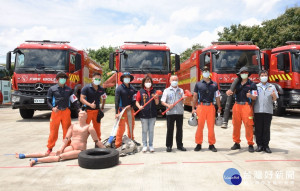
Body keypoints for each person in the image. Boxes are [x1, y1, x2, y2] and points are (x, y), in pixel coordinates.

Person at [16, 110, 105, 167]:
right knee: (52, 153)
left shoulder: (89, 127)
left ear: (86, 117)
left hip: (80, 150)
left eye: (83, 115)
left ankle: (36, 160)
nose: (81, 117)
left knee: (60, 157)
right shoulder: (73, 126)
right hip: (72, 147)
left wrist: (107, 151)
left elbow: (97, 141)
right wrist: (61, 148)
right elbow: (66, 139)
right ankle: (24, 155)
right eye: (79, 115)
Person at [46, 72, 80, 154]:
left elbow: (74, 100)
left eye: (64, 78)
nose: (63, 79)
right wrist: (52, 108)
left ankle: (67, 146)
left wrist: (79, 109)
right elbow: (48, 101)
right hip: (56, 113)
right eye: (61, 78)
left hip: (66, 112)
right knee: (53, 131)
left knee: (67, 131)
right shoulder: (52, 89)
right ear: (57, 79)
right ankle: (50, 147)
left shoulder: (69, 90)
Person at [226, 67, 257, 152]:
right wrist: (228, 92)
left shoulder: (252, 84)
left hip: (247, 106)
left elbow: (255, 97)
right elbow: (230, 91)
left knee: (248, 125)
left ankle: (250, 143)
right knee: (236, 125)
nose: (244, 74)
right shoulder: (236, 83)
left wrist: (250, 96)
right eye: (242, 72)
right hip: (237, 106)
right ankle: (236, 143)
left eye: (245, 72)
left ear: (248, 74)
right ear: (240, 74)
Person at [191, 66, 221, 152]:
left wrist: (219, 107)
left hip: (211, 107)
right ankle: (198, 143)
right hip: (201, 107)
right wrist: (193, 108)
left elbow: (217, 96)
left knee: (211, 127)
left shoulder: (214, 84)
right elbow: (195, 96)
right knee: (200, 126)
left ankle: (211, 144)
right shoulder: (198, 84)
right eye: (204, 71)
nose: (206, 72)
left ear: (209, 73)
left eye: (207, 71)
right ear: (202, 73)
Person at [253, 70, 278, 153]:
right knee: (258, 129)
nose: (264, 77)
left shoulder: (272, 86)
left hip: (268, 111)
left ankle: (266, 145)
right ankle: (259, 145)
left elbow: (275, 99)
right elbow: (253, 99)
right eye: (262, 75)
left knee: (266, 129)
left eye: (265, 75)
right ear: (259, 77)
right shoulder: (256, 86)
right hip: (258, 110)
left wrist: (273, 96)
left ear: (267, 76)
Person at [161, 75, 187, 152]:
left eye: (176, 80)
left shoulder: (181, 90)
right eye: (173, 80)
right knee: (170, 130)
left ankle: (179, 145)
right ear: (170, 81)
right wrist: (168, 105)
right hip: (170, 113)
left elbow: (183, 102)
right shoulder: (166, 90)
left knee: (179, 130)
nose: (174, 81)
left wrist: (185, 99)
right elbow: (162, 101)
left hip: (179, 112)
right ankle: (169, 146)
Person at [115, 72, 139, 148]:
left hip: (130, 110)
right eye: (125, 77)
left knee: (131, 126)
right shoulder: (119, 88)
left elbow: (135, 99)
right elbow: (116, 101)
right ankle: (118, 144)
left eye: (128, 77)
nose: (127, 78)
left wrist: (132, 106)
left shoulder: (132, 88)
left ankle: (131, 140)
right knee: (121, 127)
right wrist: (116, 113)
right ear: (122, 79)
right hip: (122, 111)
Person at [136, 75, 159, 152]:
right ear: (143, 83)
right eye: (146, 81)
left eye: (149, 81)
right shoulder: (140, 91)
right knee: (144, 130)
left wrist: (156, 98)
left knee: (151, 131)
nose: (148, 83)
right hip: (143, 114)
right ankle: (145, 145)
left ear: (151, 83)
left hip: (152, 114)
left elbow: (157, 103)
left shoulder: (154, 92)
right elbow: (137, 102)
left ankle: (151, 145)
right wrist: (139, 107)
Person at [80, 72, 107, 141]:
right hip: (87, 111)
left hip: (97, 112)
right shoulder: (86, 88)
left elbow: (104, 97)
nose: (97, 80)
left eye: (99, 79)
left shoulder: (101, 89)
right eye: (96, 79)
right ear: (92, 79)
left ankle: (98, 144)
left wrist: (102, 107)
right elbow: (81, 99)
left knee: (97, 129)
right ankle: (82, 143)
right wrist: (90, 104)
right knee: (85, 128)